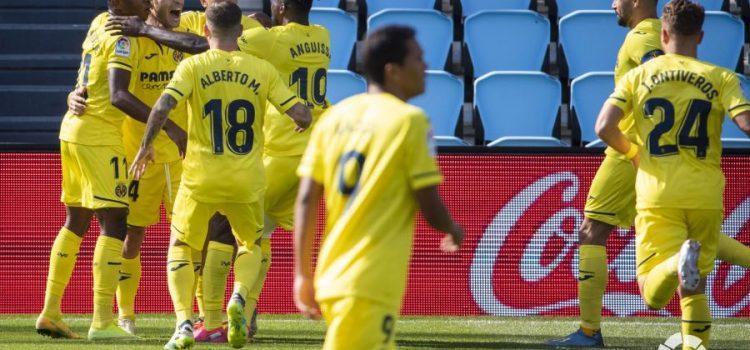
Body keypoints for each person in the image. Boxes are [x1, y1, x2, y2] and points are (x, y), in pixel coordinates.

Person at [548, 0, 750, 346]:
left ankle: (588, 331)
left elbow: (665, 82)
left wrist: (636, 152)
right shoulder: (717, 74)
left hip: (639, 155)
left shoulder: (643, 38)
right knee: (698, 249)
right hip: (689, 172)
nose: (614, 4)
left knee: (592, 230)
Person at [128, 2, 311, 349]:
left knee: (181, 246)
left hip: (200, 178)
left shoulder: (193, 67)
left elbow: (163, 106)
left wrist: (145, 146)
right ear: (241, 32)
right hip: (246, 180)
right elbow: (299, 111)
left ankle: (184, 323)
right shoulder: (261, 69)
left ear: (206, 32)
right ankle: (239, 298)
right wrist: (305, 120)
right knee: (251, 243)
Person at [293, 25, 464, 349]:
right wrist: (452, 227)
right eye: (418, 58)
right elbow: (427, 198)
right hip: (368, 281)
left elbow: (305, 199)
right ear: (393, 71)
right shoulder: (410, 121)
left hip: (334, 273)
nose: (425, 66)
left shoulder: (333, 118)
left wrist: (303, 273)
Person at [35, 0, 183, 341]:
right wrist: (169, 127)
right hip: (101, 136)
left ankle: (51, 311)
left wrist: (74, 94)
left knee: (77, 220)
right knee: (116, 222)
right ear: (119, 2)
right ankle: (102, 320)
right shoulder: (123, 36)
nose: (146, 3)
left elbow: (90, 77)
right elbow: (118, 95)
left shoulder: (99, 21)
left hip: (73, 129)